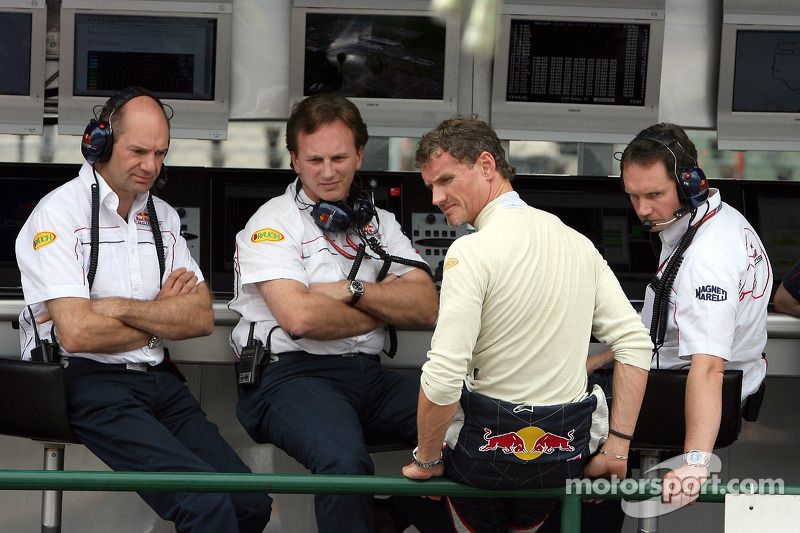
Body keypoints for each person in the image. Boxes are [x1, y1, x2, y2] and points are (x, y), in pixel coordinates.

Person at [15, 87, 272, 533]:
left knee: (250, 505)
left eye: (160, 153)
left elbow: (199, 319)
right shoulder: (57, 214)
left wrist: (114, 308)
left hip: (158, 383)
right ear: (100, 142)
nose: (151, 166)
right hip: (89, 383)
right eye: (138, 151)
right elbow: (76, 334)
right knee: (203, 505)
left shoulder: (164, 218)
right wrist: (157, 319)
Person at [402, 117, 652, 532]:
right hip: (562, 456)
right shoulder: (579, 243)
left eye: (445, 180)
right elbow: (635, 344)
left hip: (484, 458)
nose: (437, 197)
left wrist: (427, 460)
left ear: (486, 165)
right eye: (430, 186)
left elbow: (444, 377)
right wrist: (618, 448)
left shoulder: (471, 251)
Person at [230, 93, 442, 533]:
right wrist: (383, 309)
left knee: (470, 430)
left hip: (368, 376)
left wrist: (352, 289)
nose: (328, 171)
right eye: (315, 159)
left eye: (340, 157)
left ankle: (390, 516)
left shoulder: (378, 222)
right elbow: (301, 319)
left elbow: (425, 306)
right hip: (290, 378)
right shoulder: (271, 223)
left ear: (360, 154)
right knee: (344, 463)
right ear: (294, 161)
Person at [610, 122, 772, 505]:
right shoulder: (718, 219)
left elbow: (708, 367)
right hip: (693, 379)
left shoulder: (706, 257)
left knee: (553, 426)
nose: (643, 210)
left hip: (683, 393)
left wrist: (696, 462)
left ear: (691, 185)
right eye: (633, 196)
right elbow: (661, 334)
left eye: (654, 194)